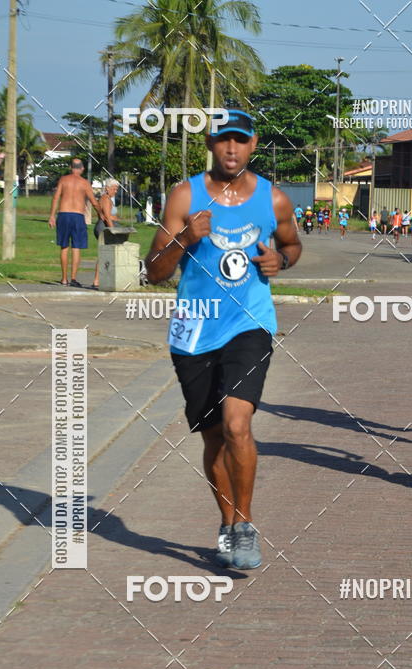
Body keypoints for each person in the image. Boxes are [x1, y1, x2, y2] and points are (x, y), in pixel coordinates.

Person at [145, 109, 301, 569]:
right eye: (223, 141)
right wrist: (184, 239)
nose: (232, 149)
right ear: (210, 145)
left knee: (237, 424)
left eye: (241, 141)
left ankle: (246, 526)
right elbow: (153, 272)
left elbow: (291, 245)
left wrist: (282, 263)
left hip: (249, 325)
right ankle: (228, 521)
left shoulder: (273, 199)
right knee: (214, 437)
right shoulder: (184, 196)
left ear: (253, 146)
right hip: (193, 332)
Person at [49, 158, 104, 286]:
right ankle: (73, 278)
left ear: (71, 167)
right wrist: (100, 213)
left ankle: (64, 279)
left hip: (63, 214)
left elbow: (56, 197)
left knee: (64, 246)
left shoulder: (63, 180)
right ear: (82, 168)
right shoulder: (84, 183)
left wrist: (52, 215)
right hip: (78, 216)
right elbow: (93, 201)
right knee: (76, 247)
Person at [92, 178, 119, 289]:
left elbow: (106, 215)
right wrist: (113, 230)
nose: (115, 191)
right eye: (114, 188)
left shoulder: (107, 198)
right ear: (107, 188)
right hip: (104, 227)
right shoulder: (105, 199)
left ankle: (102, 279)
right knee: (104, 253)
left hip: (105, 225)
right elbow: (107, 217)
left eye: (116, 189)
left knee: (108, 254)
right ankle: (97, 280)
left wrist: (114, 218)